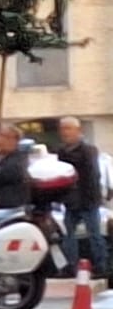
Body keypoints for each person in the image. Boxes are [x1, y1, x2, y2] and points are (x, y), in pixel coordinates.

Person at [55, 116, 106, 274]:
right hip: (70, 202)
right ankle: (72, 266)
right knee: (67, 234)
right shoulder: (62, 151)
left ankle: (101, 266)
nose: (64, 132)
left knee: (94, 235)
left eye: (68, 128)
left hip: (88, 201)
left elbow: (92, 177)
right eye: (62, 129)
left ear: (78, 131)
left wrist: (89, 200)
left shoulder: (88, 150)